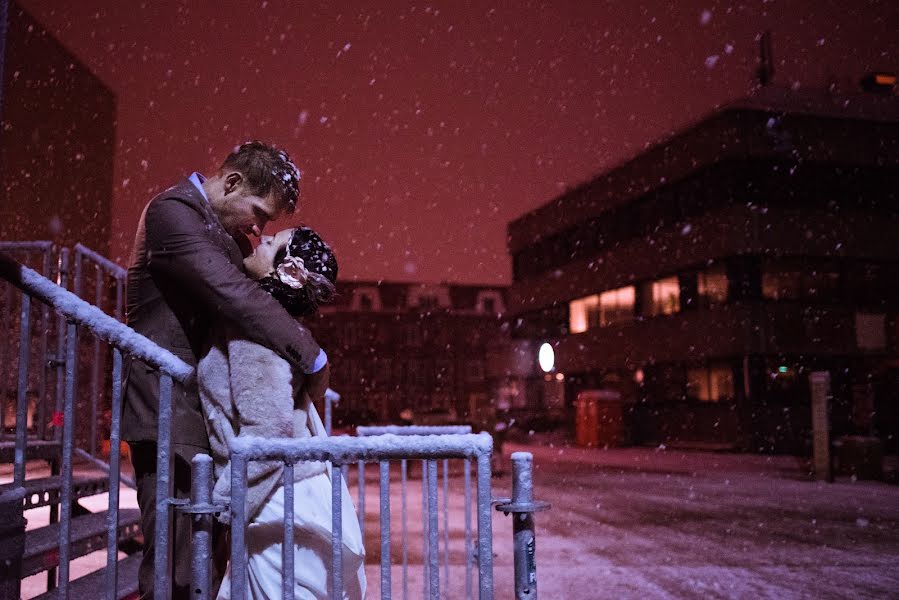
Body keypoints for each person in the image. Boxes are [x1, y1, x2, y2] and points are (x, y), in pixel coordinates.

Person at [122, 142, 331, 600]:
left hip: (208, 418)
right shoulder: (173, 211)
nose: (259, 230)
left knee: (205, 570)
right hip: (168, 410)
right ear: (232, 183)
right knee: (175, 569)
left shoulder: (227, 235)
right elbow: (234, 293)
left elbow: (259, 294)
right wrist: (312, 357)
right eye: (259, 213)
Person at [198, 227, 365, 600]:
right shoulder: (275, 326)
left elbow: (268, 433)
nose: (263, 238)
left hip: (278, 500)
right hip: (285, 495)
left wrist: (220, 503)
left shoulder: (254, 331)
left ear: (284, 271)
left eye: (272, 244)